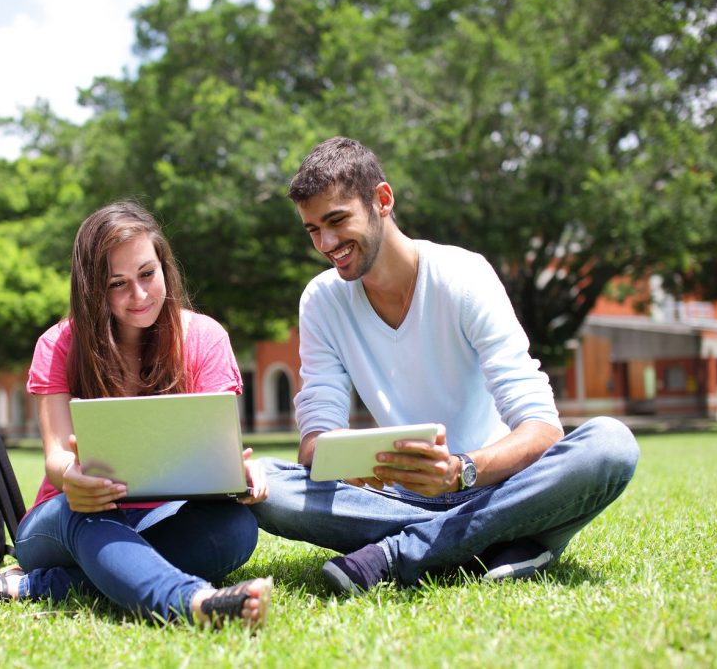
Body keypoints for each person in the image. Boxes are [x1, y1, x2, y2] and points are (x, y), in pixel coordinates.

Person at [249, 137, 640, 594]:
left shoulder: (464, 276)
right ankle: (506, 539)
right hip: (393, 498)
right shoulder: (321, 300)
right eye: (313, 230)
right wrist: (341, 460)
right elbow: (314, 439)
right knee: (265, 486)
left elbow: (543, 429)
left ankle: (400, 553)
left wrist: (458, 472)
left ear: (382, 200)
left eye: (336, 220)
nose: (327, 243)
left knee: (611, 445)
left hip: (492, 483)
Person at [0, 201, 272, 627]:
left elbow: (216, 449)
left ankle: (36, 586)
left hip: (163, 518)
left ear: (165, 266)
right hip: (67, 518)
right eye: (118, 283)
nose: (140, 295)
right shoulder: (58, 344)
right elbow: (57, 458)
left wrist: (240, 473)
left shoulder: (205, 338)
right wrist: (72, 478)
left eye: (148, 274)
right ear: (94, 289)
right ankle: (191, 604)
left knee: (236, 528)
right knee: (90, 514)